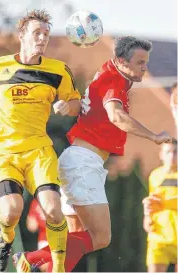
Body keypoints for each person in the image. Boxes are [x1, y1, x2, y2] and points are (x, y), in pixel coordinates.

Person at [13, 36, 172, 272]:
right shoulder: (115, 80)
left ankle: (38, 264)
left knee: (76, 240)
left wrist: (70, 106)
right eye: (140, 62)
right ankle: (31, 258)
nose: (144, 67)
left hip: (74, 161)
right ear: (121, 61)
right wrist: (154, 136)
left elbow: (87, 107)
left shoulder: (105, 73)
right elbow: (116, 116)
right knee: (100, 237)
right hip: (84, 165)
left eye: (146, 62)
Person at [0, 9, 81, 272]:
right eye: (37, 33)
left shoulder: (58, 71)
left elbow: (76, 102)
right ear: (22, 35)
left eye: (46, 34)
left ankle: (57, 267)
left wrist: (70, 106)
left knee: (54, 210)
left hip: (38, 152)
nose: (42, 38)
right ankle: (5, 239)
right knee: (11, 210)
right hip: (3, 152)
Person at [142, 139, 177, 272]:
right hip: (159, 236)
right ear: (161, 154)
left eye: (176, 152)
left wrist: (164, 203)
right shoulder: (155, 175)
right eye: (168, 152)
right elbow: (152, 202)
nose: (172, 156)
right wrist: (146, 217)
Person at [26, 198, 48, 271]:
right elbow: (32, 225)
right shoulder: (36, 202)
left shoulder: (58, 197)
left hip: (61, 236)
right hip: (44, 237)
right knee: (44, 266)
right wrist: (31, 222)